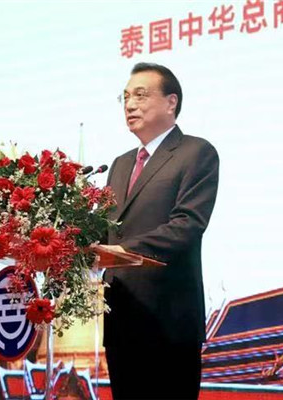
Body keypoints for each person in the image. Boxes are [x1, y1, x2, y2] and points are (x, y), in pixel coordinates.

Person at [100, 62, 220, 399]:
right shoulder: (121, 164)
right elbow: (106, 228)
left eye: (140, 95)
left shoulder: (196, 153)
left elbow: (187, 224)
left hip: (169, 322)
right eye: (125, 97)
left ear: (171, 102)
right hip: (121, 320)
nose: (130, 104)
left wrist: (125, 251)